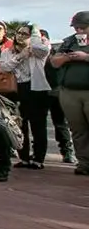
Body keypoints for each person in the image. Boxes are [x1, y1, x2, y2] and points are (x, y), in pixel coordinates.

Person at [0, 24, 50, 169]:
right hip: (15, 90)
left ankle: (38, 159)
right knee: (19, 125)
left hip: (36, 89)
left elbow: (44, 50)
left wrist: (34, 35)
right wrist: (20, 56)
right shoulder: (8, 51)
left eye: (25, 34)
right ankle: (24, 157)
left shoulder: (38, 49)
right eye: (18, 33)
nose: (20, 36)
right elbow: (3, 68)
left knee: (38, 125)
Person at [50, 11, 89, 176]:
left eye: (83, 28)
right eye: (76, 27)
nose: (79, 31)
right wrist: (67, 57)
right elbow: (54, 62)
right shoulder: (69, 41)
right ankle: (84, 163)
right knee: (78, 129)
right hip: (70, 91)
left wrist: (85, 57)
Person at [41, 29, 76, 163]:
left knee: (60, 123)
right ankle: (39, 153)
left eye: (43, 38)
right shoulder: (28, 54)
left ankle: (67, 150)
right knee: (38, 125)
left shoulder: (56, 54)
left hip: (54, 91)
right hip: (36, 92)